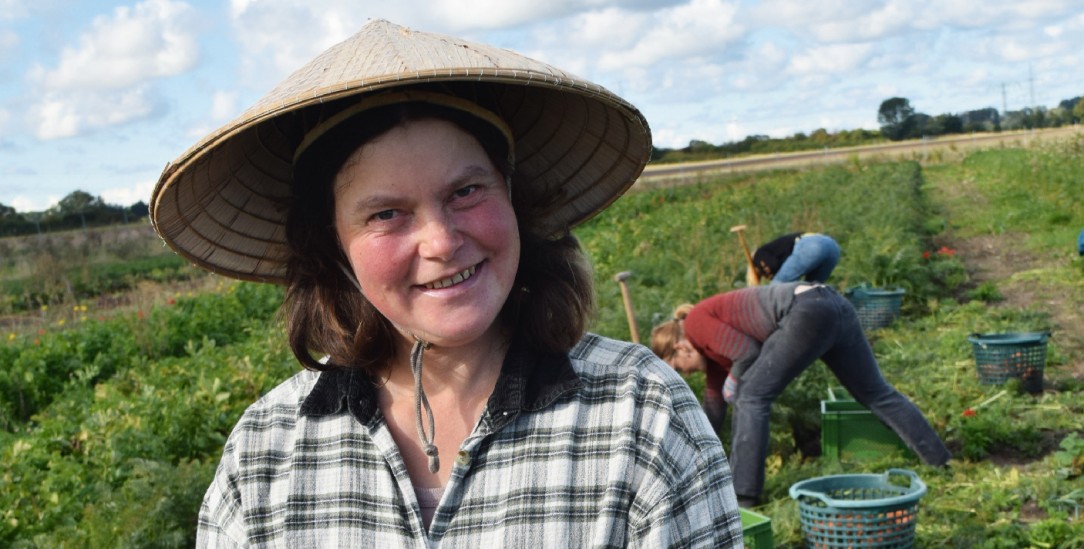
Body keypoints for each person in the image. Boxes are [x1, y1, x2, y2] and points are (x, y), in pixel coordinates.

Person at [150, 19, 743, 546]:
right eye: (386, 214)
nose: (440, 241)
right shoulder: (266, 453)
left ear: (514, 199)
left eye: (466, 191)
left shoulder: (639, 414)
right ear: (331, 242)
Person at [650, 282, 951, 508]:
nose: (686, 375)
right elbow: (713, 415)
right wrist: (686, 455)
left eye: (679, 368)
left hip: (807, 311)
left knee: (751, 398)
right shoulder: (711, 353)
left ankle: (742, 497)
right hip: (833, 305)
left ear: (680, 348)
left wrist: (736, 381)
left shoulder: (696, 323)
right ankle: (940, 461)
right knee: (875, 393)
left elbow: (747, 352)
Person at [749, 231, 841, 285]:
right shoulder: (774, 250)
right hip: (832, 246)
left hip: (811, 245)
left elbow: (773, 265)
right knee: (812, 292)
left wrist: (771, 277)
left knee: (776, 288)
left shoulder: (758, 254)